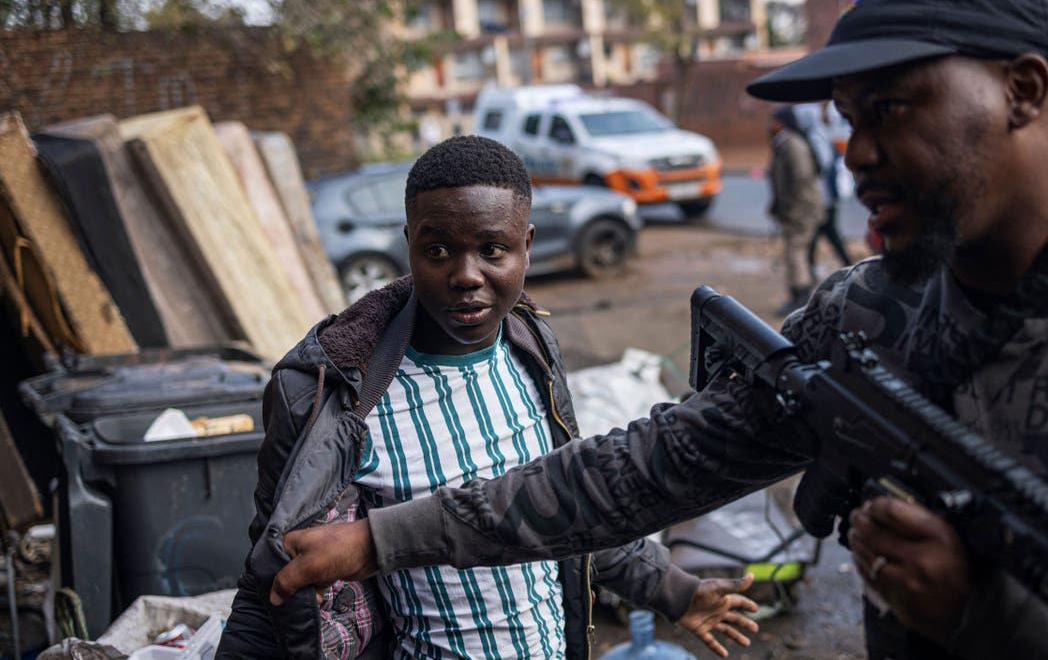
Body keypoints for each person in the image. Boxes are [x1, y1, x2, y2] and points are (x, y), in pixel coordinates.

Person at [262, 0, 1048, 659]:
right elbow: (640, 469)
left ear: (1024, 92)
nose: (855, 154)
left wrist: (990, 619)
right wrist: (380, 539)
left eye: (893, 109)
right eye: (847, 118)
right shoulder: (868, 309)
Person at [216, 136, 761, 659]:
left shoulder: (530, 347)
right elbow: (274, 580)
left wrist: (674, 589)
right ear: (408, 243)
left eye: (493, 249)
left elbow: (561, 506)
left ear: (526, 245)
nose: (466, 276)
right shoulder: (333, 397)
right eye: (437, 250)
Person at [767, 106, 825, 316]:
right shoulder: (784, 144)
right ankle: (801, 294)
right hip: (798, 209)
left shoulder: (792, 145)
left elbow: (801, 177)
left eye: (773, 121)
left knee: (795, 252)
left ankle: (801, 297)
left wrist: (791, 208)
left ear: (782, 123)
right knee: (797, 252)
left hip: (801, 210)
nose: (770, 126)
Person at [792, 102, 854, 277]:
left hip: (822, 196)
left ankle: (819, 268)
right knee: (822, 233)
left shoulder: (814, 135)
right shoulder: (816, 134)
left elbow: (823, 164)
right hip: (822, 196)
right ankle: (814, 268)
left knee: (823, 232)